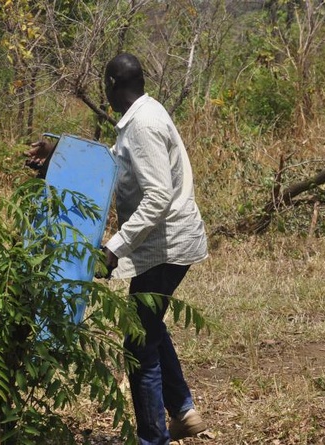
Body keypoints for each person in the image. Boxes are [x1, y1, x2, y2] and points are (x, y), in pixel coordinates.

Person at [25, 52, 208, 445]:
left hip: (165, 245)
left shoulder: (142, 124)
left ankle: (152, 438)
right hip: (165, 242)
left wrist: (115, 248)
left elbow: (158, 197)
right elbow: (116, 162)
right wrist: (60, 151)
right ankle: (183, 411)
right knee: (150, 325)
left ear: (110, 85)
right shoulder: (143, 115)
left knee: (138, 343)